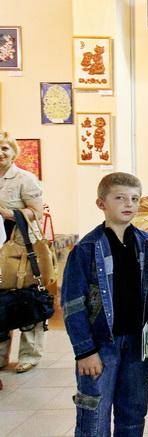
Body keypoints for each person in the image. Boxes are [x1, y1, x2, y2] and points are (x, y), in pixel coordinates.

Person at [61, 172, 148, 436]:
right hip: (101, 345)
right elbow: (72, 304)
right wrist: (85, 351)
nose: (129, 204)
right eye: (120, 198)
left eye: (135, 199)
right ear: (101, 203)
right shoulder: (86, 249)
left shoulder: (147, 244)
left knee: (133, 412)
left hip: (136, 344)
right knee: (94, 415)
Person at [0, 131, 46, 373]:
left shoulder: (24, 178)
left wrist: (7, 214)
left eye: (4, 148)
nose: (0, 153)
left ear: (13, 152)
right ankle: (1, 356)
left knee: (27, 299)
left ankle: (29, 355)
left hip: (21, 247)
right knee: (1, 301)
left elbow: (36, 211)